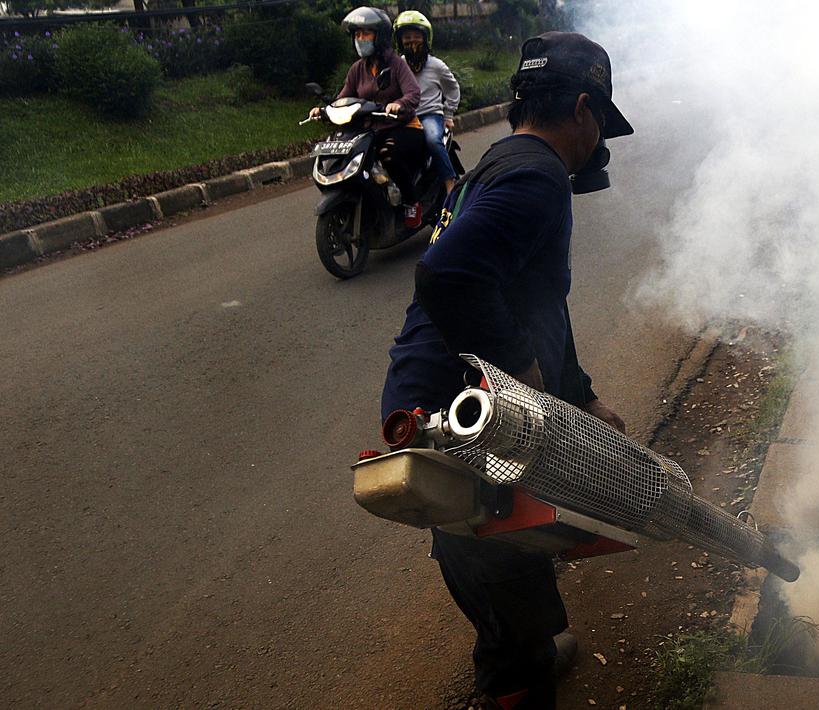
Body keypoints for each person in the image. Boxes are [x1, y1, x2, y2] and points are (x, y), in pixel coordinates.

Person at [379, 31, 634, 710]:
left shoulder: (504, 159)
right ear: (581, 109)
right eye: (600, 124)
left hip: (440, 396)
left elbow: (538, 302)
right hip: (463, 409)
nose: (597, 143)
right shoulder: (537, 176)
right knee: (495, 549)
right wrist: (520, 377)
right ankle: (518, 678)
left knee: (500, 539)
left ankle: (527, 650)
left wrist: (580, 394)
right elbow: (447, 275)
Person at [312, 6, 426, 214]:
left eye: (365, 34)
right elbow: (342, 98)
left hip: (403, 127)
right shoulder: (357, 68)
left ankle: (412, 203)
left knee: (388, 154)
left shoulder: (396, 64)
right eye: (357, 34)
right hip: (371, 130)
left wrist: (399, 104)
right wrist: (324, 111)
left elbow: (413, 93)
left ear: (379, 37)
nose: (360, 39)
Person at [393, 10, 462, 194]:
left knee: (432, 140)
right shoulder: (398, 66)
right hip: (406, 117)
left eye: (417, 37)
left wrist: (448, 114)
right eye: (407, 37)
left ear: (426, 39)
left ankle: (450, 182)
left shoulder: (436, 65)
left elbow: (453, 88)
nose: (412, 42)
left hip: (430, 115)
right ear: (400, 41)